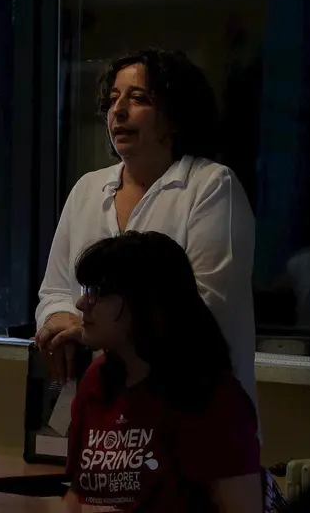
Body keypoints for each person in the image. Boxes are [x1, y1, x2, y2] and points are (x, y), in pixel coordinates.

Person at [36, 48, 258, 413]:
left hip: (193, 412)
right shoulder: (88, 189)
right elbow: (56, 290)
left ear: (174, 116)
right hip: (104, 413)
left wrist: (95, 330)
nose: (118, 111)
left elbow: (205, 309)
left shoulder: (211, 186)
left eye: (138, 98)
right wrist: (58, 319)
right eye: (112, 100)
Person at [66, 231, 262, 513]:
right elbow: (78, 494)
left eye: (98, 291)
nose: (82, 303)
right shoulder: (98, 379)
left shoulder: (210, 397)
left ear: (146, 301)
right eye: (86, 290)